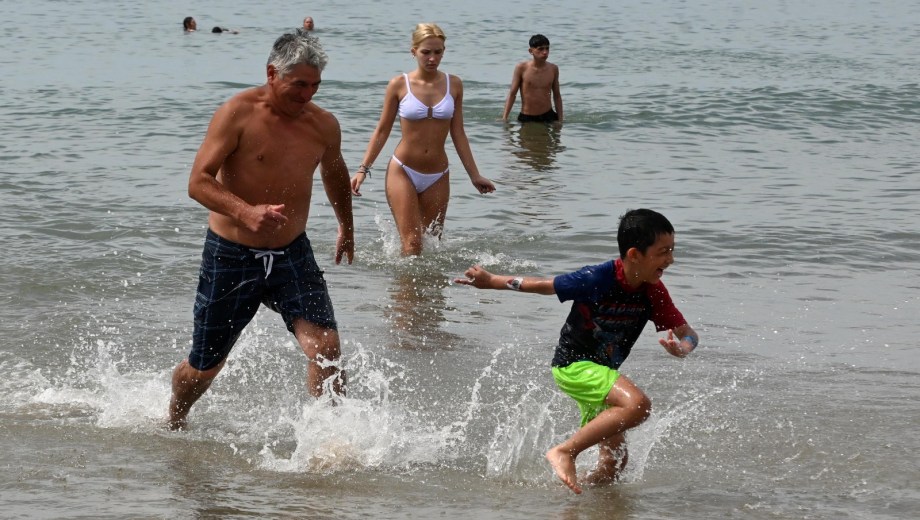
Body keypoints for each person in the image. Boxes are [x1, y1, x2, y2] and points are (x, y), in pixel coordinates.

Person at [167, 32, 355, 430]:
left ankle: (330, 439)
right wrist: (245, 212)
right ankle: (175, 416)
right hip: (231, 255)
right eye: (299, 84)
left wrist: (346, 226)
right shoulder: (237, 113)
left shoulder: (323, 125)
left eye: (315, 85)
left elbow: (335, 173)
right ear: (272, 73)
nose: (307, 95)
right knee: (204, 369)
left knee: (326, 349)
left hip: (292, 253)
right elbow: (198, 182)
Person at [455, 209, 699, 494]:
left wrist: (683, 348)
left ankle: (571, 497)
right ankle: (566, 452)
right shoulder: (597, 278)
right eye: (663, 252)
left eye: (672, 250)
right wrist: (492, 281)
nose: (670, 259)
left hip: (603, 374)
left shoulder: (653, 291)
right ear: (635, 254)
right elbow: (543, 286)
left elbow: (689, 334)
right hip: (574, 365)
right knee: (638, 406)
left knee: (613, 467)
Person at [350, 22, 495, 256]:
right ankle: (403, 292)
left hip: (438, 174)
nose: (432, 58)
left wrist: (474, 175)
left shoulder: (454, 84)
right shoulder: (399, 84)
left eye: (438, 52)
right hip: (403, 170)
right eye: (426, 52)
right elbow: (382, 130)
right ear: (414, 51)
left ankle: (427, 294)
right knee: (412, 243)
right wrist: (362, 170)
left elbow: (458, 132)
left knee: (432, 245)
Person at [501, 34, 563, 123]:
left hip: (548, 115)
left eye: (547, 48)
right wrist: (504, 118)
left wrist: (560, 119)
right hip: (527, 117)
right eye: (540, 49)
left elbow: (557, 95)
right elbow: (512, 94)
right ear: (531, 51)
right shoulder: (521, 68)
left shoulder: (553, 69)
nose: (545, 52)